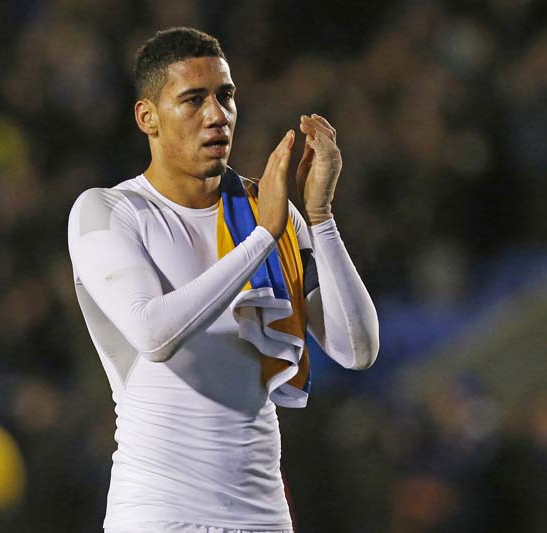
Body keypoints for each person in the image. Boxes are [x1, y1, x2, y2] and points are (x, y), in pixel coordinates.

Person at [67, 27, 379, 533]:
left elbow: (357, 349)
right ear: (148, 117)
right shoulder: (110, 211)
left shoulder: (266, 210)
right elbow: (154, 333)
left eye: (225, 96)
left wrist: (319, 216)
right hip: (158, 513)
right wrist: (261, 238)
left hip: (264, 516)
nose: (216, 115)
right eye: (193, 100)